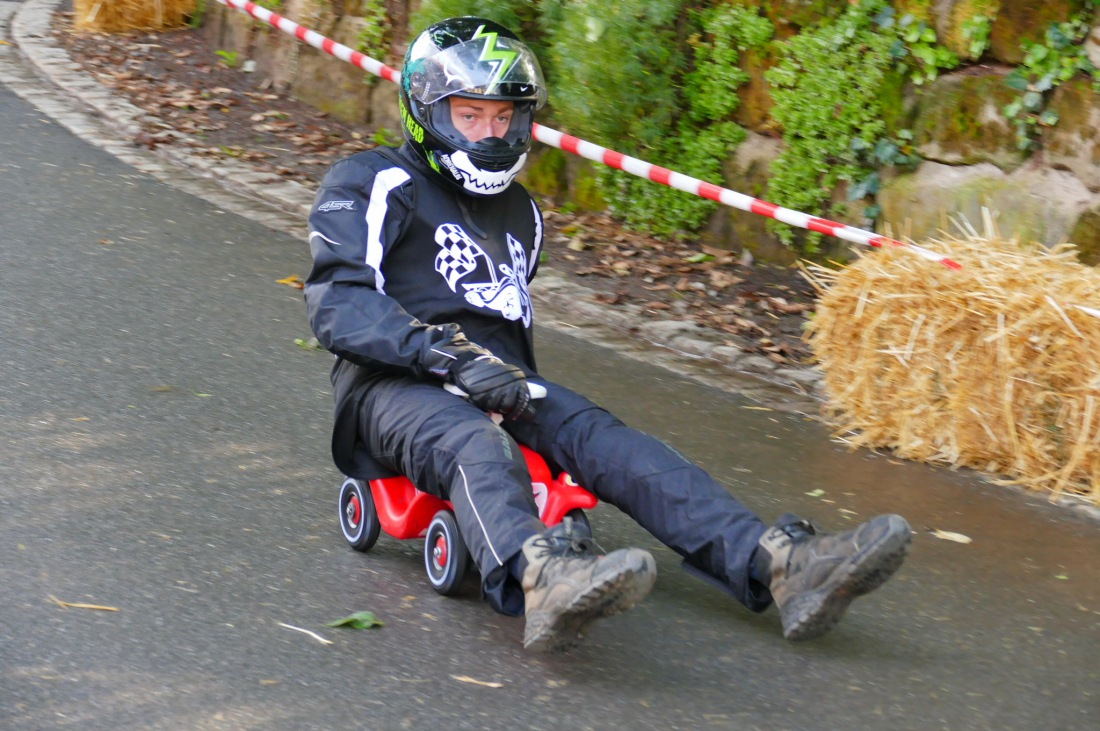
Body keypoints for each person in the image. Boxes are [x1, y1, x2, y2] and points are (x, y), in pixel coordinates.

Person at [304, 16, 912, 652]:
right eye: (469, 115)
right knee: (471, 441)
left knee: (613, 443)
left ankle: (782, 567)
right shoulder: (373, 183)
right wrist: (442, 355)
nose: (491, 133)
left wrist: (502, 382)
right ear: (428, 111)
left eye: (504, 116)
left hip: (504, 383)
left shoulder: (522, 214)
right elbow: (336, 304)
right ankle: (542, 580)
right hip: (395, 386)